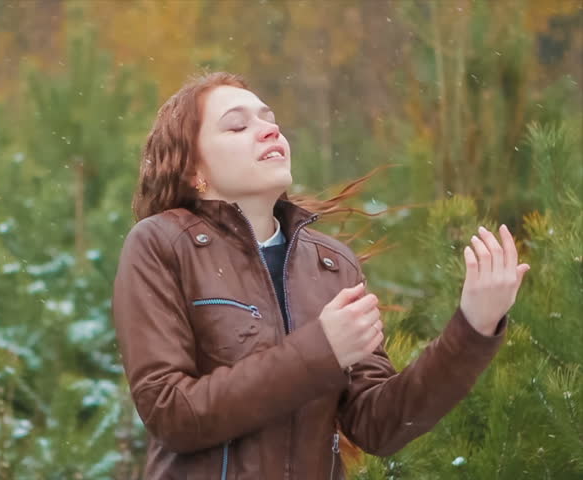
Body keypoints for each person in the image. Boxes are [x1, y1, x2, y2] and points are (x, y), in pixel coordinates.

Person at [111, 72, 529, 480]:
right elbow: (171, 414)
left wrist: (474, 326)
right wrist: (321, 351)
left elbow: (378, 425)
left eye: (270, 120)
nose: (269, 130)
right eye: (237, 126)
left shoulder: (331, 264)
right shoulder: (161, 244)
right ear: (193, 171)